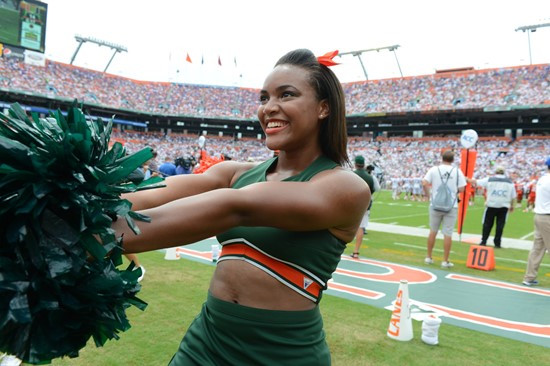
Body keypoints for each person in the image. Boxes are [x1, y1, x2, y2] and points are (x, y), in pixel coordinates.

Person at [112, 49, 370, 365]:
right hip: (206, 343)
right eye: (264, 98)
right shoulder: (235, 172)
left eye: (286, 95)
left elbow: (237, 207)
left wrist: (95, 235)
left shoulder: (347, 186)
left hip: (283, 353)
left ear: (323, 108)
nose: (269, 108)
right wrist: (80, 206)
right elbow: (155, 193)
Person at [422, 150, 466, 268]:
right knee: (448, 233)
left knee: (433, 231)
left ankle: (428, 257)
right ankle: (445, 260)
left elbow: (424, 182)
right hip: (451, 205)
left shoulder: (434, 169)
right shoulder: (457, 171)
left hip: (435, 203)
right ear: (453, 160)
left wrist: (428, 195)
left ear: (442, 158)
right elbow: (462, 189)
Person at [522, 157, 550, 286]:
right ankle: (529, 277)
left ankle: (529, 277)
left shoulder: (543, 178)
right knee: (538, 249)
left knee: (537, 249)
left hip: (540, 215)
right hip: (547, 217)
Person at [472, 166, 515, 248]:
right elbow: (512, 196)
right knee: (500, 225)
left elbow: (476, 182)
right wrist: (512, 205)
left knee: (487, 224)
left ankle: (484, 240)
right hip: (503, 206)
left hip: (491, 204)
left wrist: (467, 178)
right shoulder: (510, 182)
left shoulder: (490, 179)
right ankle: (497, 242)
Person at [351, 156, 376, 258]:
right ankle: (356, 251)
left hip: (351, 203)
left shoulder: (352, 174)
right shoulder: (370, 177)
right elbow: (375, 189)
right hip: (365, 204)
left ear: (355, 164)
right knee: (361, 228)